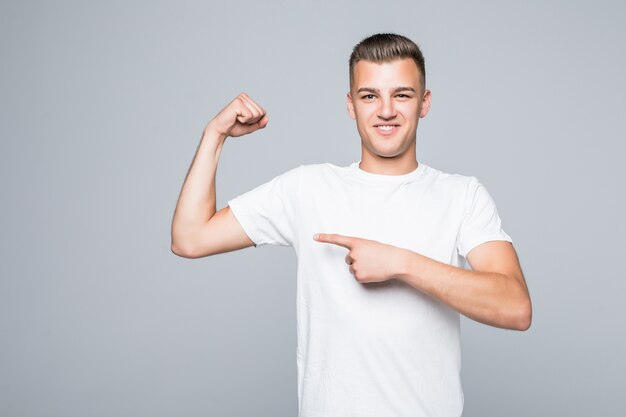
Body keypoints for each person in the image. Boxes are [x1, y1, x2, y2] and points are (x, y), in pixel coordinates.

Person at [171, 33, 532, 417]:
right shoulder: (307, 188)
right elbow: (190, 238)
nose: (387, 110)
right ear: (351, 105)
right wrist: (215, 135)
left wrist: (402, 264)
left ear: (424, 103)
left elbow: (515, 307)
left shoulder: (462, 195)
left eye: (403, 95)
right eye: (370, 96)